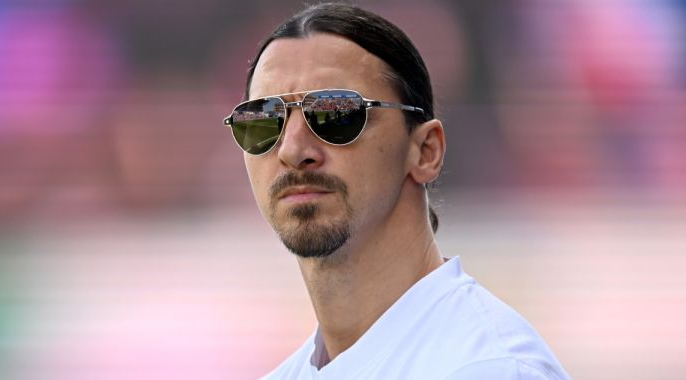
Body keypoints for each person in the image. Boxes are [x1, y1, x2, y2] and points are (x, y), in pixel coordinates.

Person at [222, 3, 570, 379]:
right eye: (261, 120)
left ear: (425, 150)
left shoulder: (489, 368)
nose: (292, 150)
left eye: (336, 113)